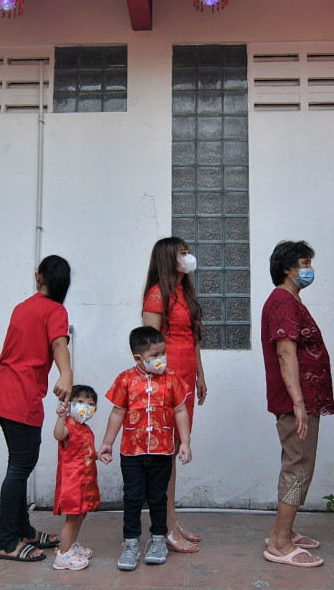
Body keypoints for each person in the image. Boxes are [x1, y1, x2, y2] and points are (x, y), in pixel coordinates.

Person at [0, 255, 74, 562]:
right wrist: (66, 374)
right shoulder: (56, 310)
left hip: (4, 391)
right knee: (20, 467)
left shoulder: (23, 307)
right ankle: (7, 542)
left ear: (39, 278)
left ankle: (22, 530)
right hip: (20, 395)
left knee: (18, 464)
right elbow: (59, 344)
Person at [260, 240, 334, 568]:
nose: (309, 269)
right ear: (289, 269)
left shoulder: (289, 300)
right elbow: (285, 351)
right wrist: (299, 403)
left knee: (299, 463)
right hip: (295, 401)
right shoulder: (282, 302)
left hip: (301, 399)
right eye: (304, 263)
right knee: (299, 465)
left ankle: (285, 531)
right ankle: (279, 542)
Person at [98, 326, 192, 572]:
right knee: (132, 498)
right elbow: (117, 412)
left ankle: (158, 539)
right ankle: (130, 543)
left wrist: (185, 442)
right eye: (154, 355)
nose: (161, 359)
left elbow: (180, 410)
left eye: (163, 353)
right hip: (132, 452)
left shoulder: (172, 379)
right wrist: (107, 443)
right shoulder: (125, 379)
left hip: (162, 451)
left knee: (159, 498)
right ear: (138, 358)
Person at [141, 236, 206, 553]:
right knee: (166, 454)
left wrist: (200, 374)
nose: (188, 257)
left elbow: (193, 337)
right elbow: (147, 348)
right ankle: (164, 526)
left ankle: (171, 518)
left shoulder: (185, 293)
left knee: (176, 448)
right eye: (182, 253)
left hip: (187, 382)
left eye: (188, 252)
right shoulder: (157, 296)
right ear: (169, 258)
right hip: (167, 384)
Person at [50, 384, 101, 571]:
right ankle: (62, 556)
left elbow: (84, 451)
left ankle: (70, 546)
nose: (86, 407)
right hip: (73, 482)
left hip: (85, 480)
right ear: (70, 404)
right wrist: (61, 417)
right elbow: (58, 435)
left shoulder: (85, 429)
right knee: (72, 518)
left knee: (81, 514)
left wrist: (97, 455)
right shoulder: (68, 427)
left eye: (91, 403)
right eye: (80, 402)